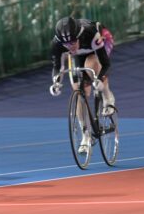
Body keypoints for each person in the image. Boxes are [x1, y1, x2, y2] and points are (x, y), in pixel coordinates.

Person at [49, 17, 116, 153]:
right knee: (79, 91)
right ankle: (85, 136)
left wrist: (100, 79)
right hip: (79, 54)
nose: (70, 46)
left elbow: (106, 63)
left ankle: (108, 96)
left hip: (100, 42)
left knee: (91, 66)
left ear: (78, 35)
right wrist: (56, 82)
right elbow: (57, 67)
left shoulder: (90, 33)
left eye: (73, 42)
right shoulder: (57, 44)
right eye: (66, 44)